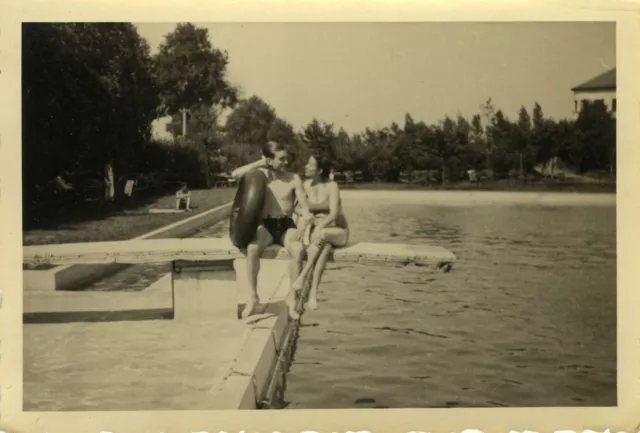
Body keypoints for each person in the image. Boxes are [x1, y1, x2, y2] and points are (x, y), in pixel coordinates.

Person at [231, 141, 314, 319]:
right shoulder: (259, 177)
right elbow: (235, 174)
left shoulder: (293, 179)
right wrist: (259, 163)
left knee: (298, 250)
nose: (286, 162)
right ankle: (253, 297)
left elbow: (305, 208)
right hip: (266, 226)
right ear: (269, 160)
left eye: (286, 158)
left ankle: (292, 298)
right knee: (253, 248)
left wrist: (303, 224)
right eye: (281, 159)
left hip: (286, 225)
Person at [290, 154, 349, 310]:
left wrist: (319, 226)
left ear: (320, 170)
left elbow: (334, 214)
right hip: (320, 236)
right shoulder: (306, 185)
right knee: (324, 248)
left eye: (310, 165)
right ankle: (313, 295)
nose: (306, 167)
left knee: (322, 236)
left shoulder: (332, 186)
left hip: (338, 231)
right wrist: (304, 217)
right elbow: (295, 207)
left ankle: (302, 277)